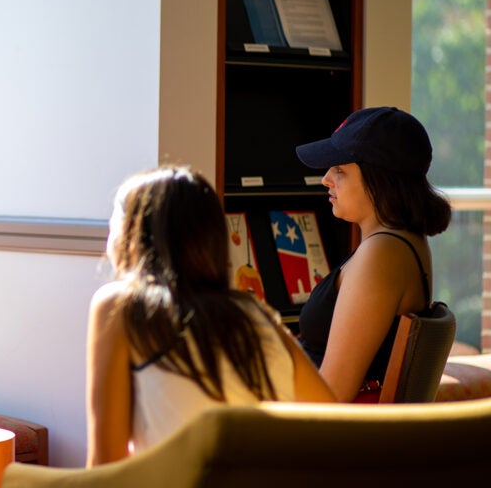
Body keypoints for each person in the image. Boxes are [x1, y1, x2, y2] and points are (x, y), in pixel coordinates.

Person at [86, 166, 333, 466]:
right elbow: (332, 420)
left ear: (132, 236)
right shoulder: (255, 312)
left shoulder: (120, 306)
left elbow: (105, 467)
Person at [295, 106, 452, 402]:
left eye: (340, 169)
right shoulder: (401, 242)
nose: (326, 178)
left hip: (330, 438)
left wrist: (273, 344)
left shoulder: (381, 256)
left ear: (378, 179)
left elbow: (332, 396)